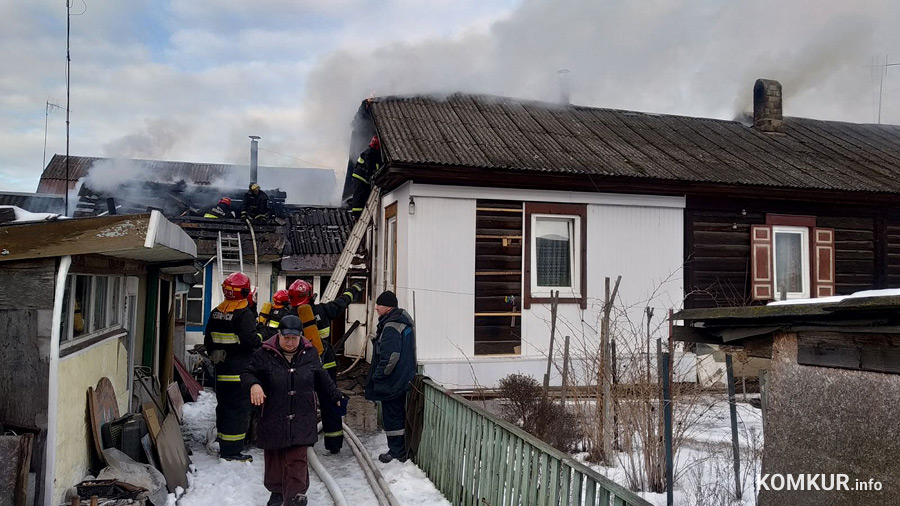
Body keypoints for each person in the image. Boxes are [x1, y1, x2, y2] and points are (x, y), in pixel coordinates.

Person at [243, 315, 344, 506]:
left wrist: (336, 397)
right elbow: (248, 373)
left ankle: (296, 496)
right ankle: (277, 492)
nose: (290, 343)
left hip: (302, 415)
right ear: (279, 335)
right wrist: (254, 385)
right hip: (273, 414)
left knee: (297, 457)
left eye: (294, 338)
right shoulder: (264, 354)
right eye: (286, 338)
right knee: (275, 457)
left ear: (300, 337)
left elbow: (322, 379)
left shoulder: (310, 353)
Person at [287, 279, 363, 454]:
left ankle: (304, 440)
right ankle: (334, 443)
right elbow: (342, 302)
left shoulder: (289, 317)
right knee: (330, 401)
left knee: (303, 403)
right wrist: (354, 289)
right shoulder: (322, 310)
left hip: (302, 367)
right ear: (309, 295)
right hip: (325, 364)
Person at [203, 272, 261, 461]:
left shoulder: (217, 311)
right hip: (239, 372)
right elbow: (251, 341)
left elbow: (208, 341)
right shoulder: (244, 314)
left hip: (221, 370)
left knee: (224, 407)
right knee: (238, 410)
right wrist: (262, 336)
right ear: (245, 291)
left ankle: (223, 442)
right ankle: (233, 451)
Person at [365, 290, 417, 463]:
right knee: (397, 414)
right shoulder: (401, 322)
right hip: (402, 377)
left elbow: (391, 356)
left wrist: (379, 376)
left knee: (392, 416)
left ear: (388, 307)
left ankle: (397, 452)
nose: (376, 308)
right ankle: (399, 449)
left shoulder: (391, 326)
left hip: (393, 381)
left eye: (379, 305)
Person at [349, 135, 381, 219]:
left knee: (364, 194)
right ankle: (356, 214)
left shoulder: (374, 153)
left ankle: (361, 210)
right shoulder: (369, 152)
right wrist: (373, 174)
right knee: (359, 194)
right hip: (360, 176)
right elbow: (369, 166)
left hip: (364, 178)